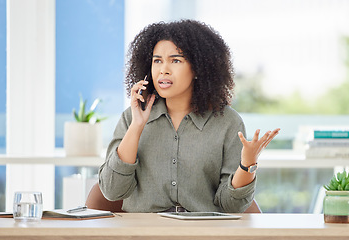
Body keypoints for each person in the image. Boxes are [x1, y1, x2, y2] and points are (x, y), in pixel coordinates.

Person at [98, 19, 280, 213]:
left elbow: (232, 206)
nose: (163, 69)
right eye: (157, 60)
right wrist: (136, 127)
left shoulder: (228, 123)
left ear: (198, 69)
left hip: (203, 231)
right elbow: (112, 191)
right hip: (144, 232)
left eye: (175, 60)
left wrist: (247, 165)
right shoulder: (132, 117)